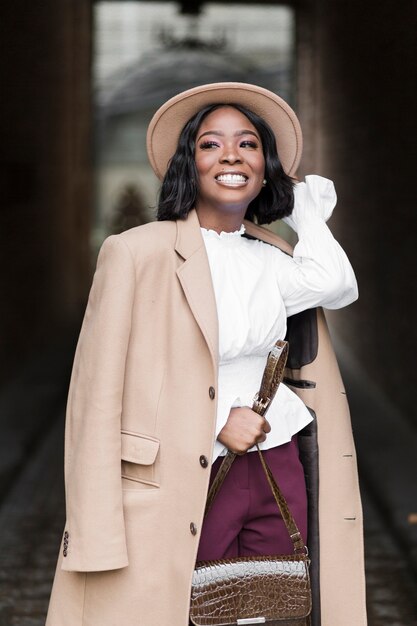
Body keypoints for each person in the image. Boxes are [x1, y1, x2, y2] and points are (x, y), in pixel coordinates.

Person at [46, 83, 367, 626]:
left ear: (266, 165)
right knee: (185, 609)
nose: (231, 156)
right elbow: (96, 395)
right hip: (182, 469)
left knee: (266, 607)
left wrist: (303, 207)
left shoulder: (270, 256)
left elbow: (335, 284)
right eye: (210, 145)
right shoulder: (136, 253)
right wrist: (218, 422)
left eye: (248, 145)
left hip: (273, 453)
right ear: (187, 163)